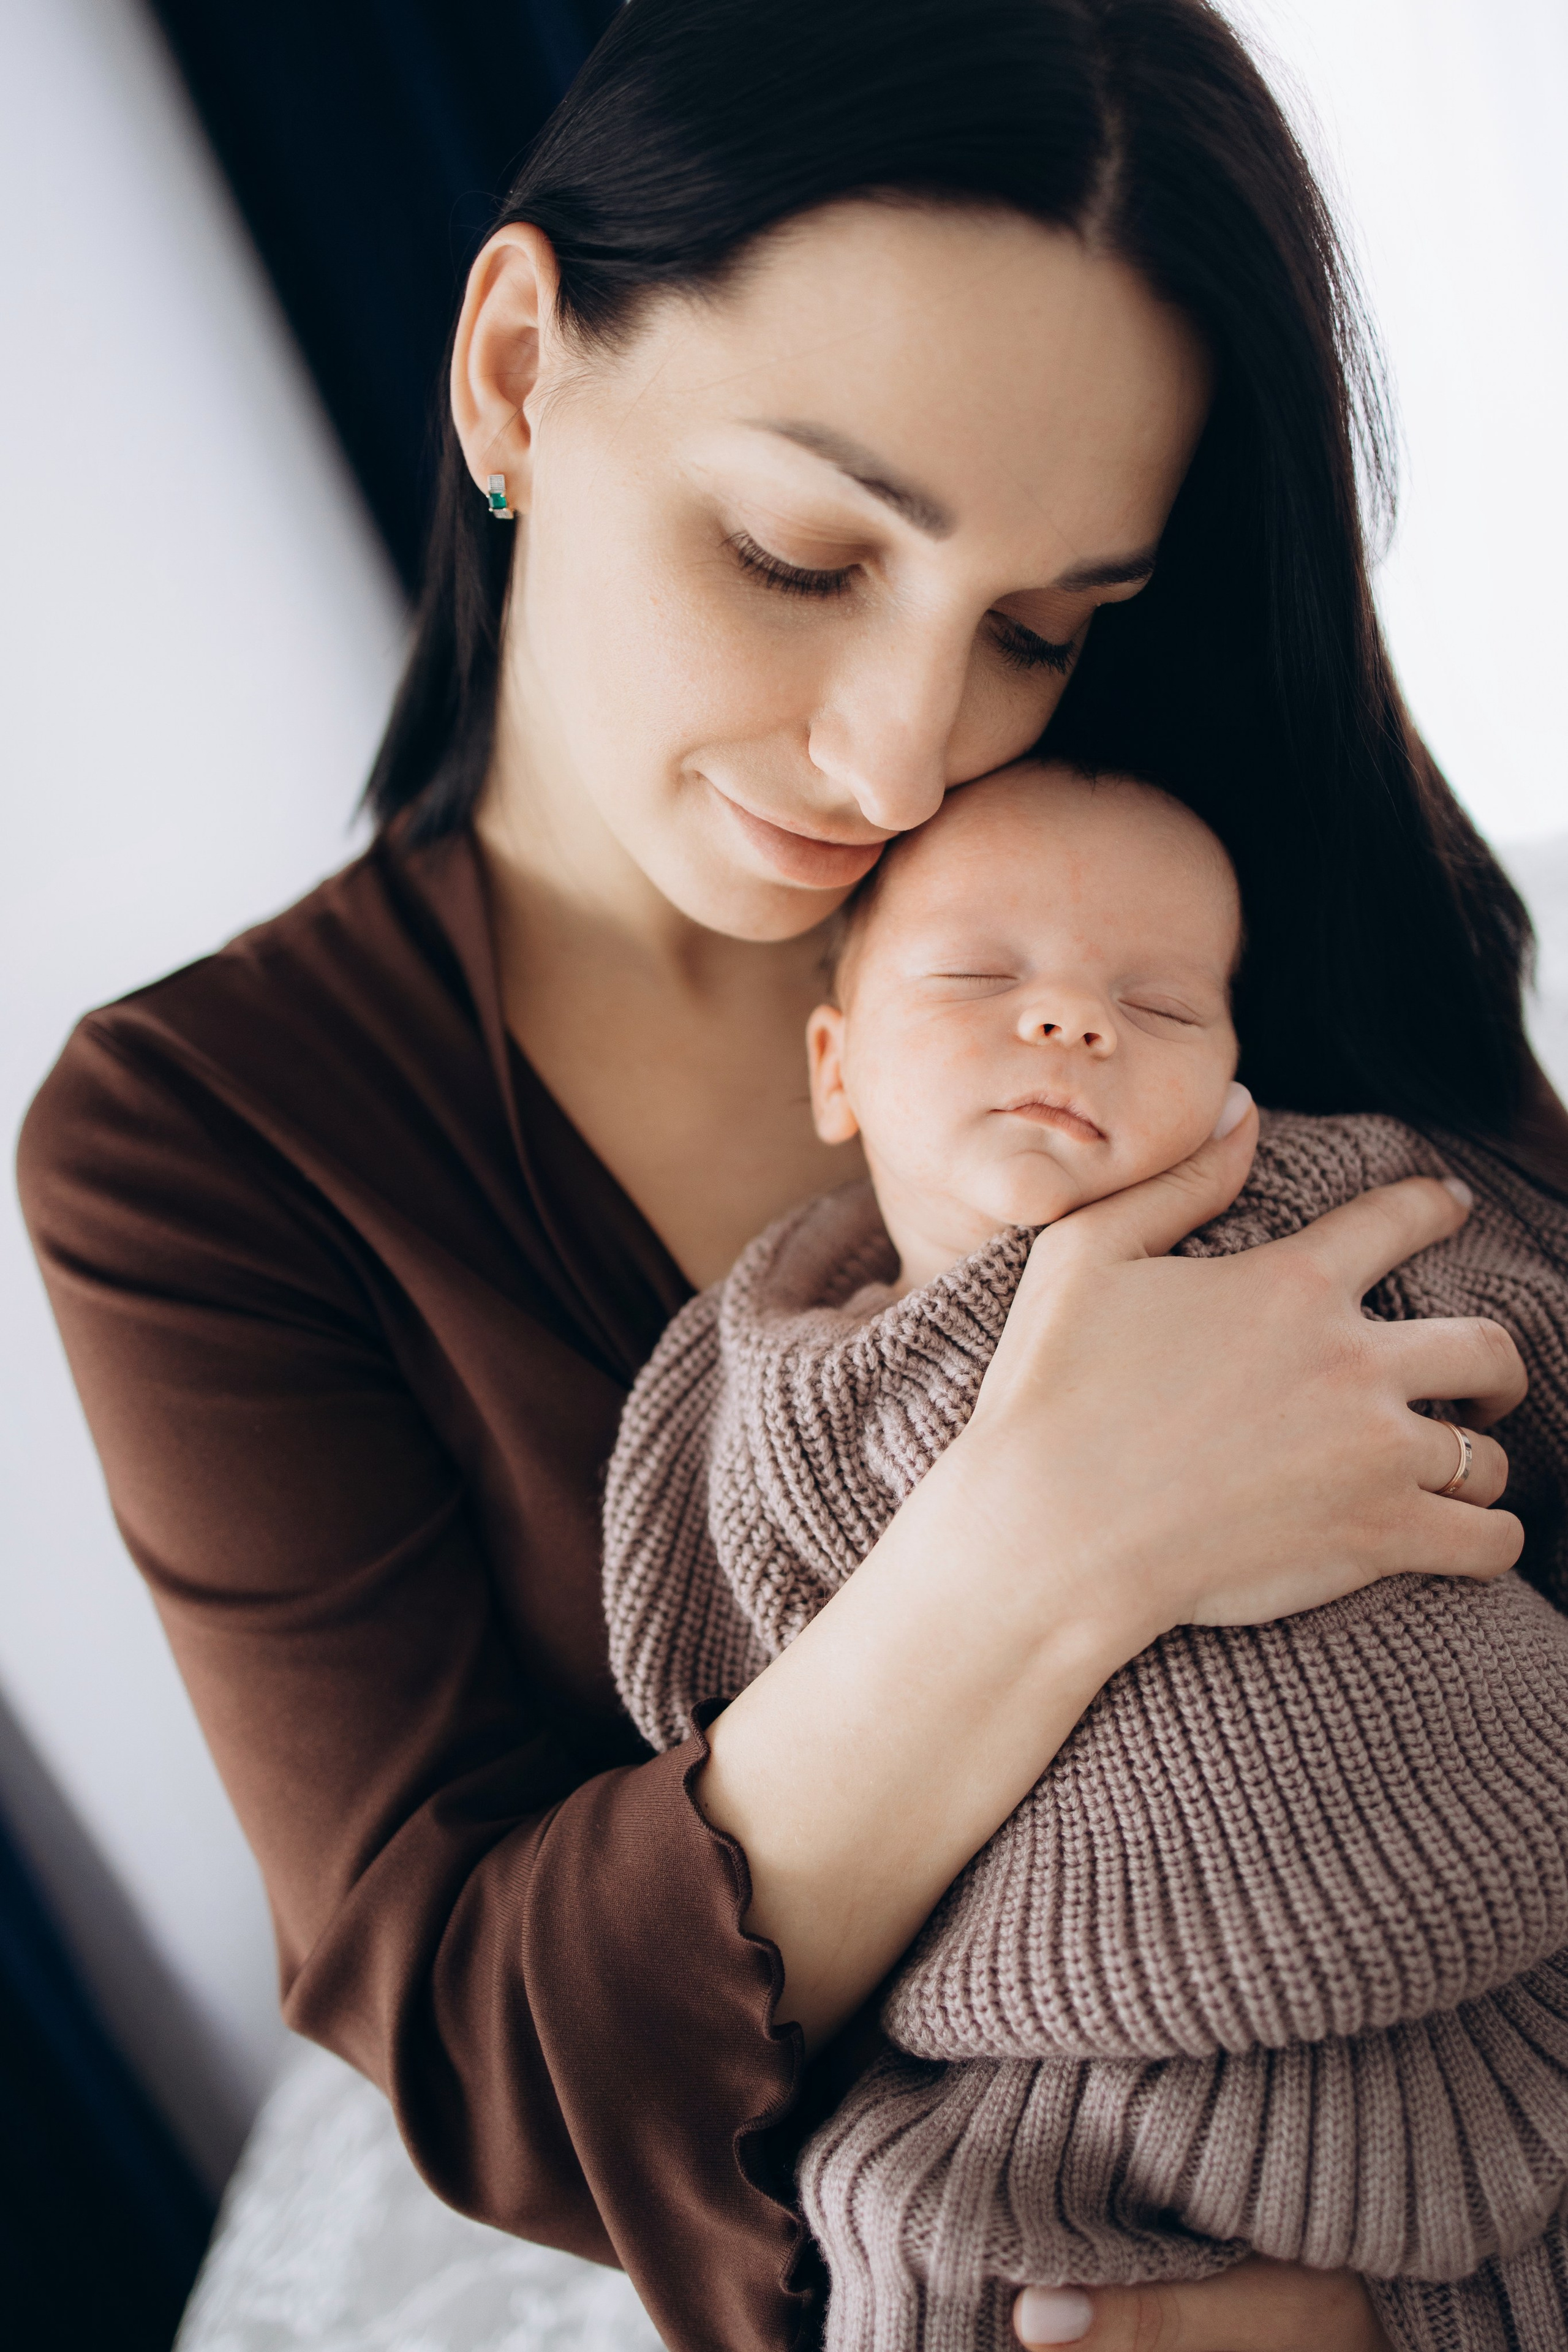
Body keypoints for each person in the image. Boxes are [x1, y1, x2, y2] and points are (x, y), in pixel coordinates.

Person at [17, 2, 1564, 2346]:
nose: (903, 749)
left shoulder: (1180, 847)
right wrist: (1053, 1533)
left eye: (1042, 626)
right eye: (799, 553)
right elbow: (501, 2067)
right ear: (522, 370)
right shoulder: (202, 1146)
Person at [600, 758, 1568, 2349]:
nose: (1072, 1023)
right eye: (982, 979)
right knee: (910, 2236)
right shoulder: (765, 1383)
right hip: (1049, 2051)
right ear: (835, 1069)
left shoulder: (1339, 1218)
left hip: (1499, 1935)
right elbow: (705, 1693)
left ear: (1239, 1076)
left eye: (1165, 1005)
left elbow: (1544, 1373)